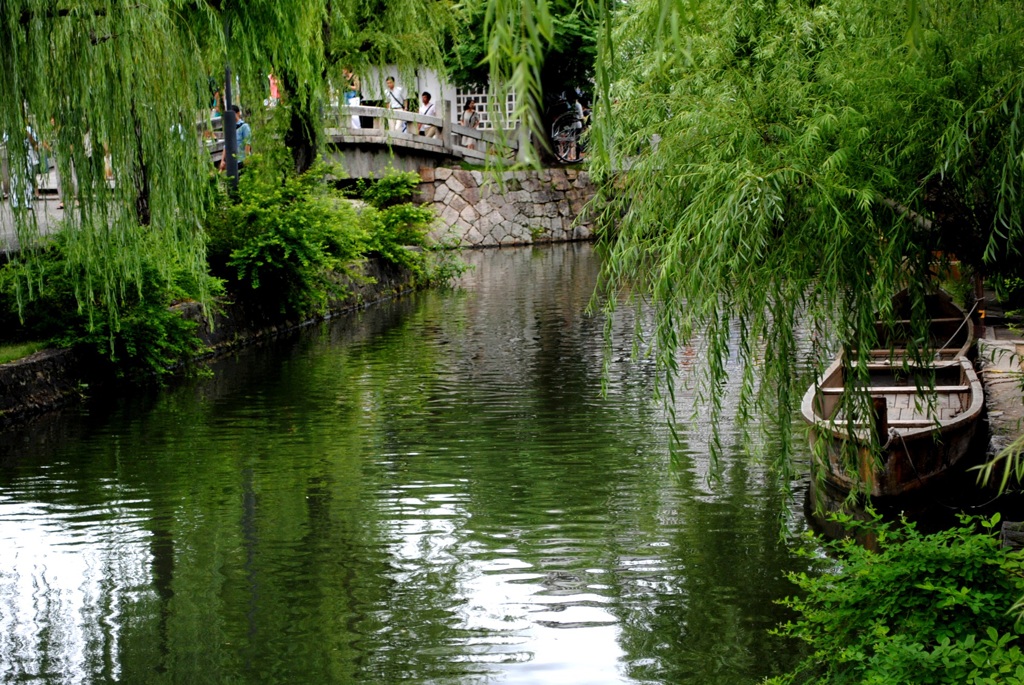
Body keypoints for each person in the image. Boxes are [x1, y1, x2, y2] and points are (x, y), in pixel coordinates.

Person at [219, 105, 252, 171]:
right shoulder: (229, 128)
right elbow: (226, 146)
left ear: (238, 113)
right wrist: (222, 160)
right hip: (232, 162)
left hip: (241, 161)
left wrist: (247, 159)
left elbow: (247, 143)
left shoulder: (244, 127)